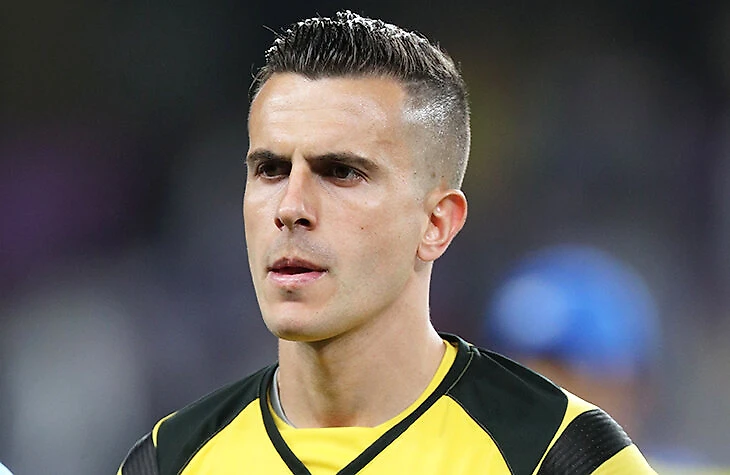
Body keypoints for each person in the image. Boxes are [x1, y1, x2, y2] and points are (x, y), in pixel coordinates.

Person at [118, 11, 656, 474]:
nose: (290, 207)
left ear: (437, 224)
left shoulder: (555, 454)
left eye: (341, 172)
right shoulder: (172, 458)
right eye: (270, 169)